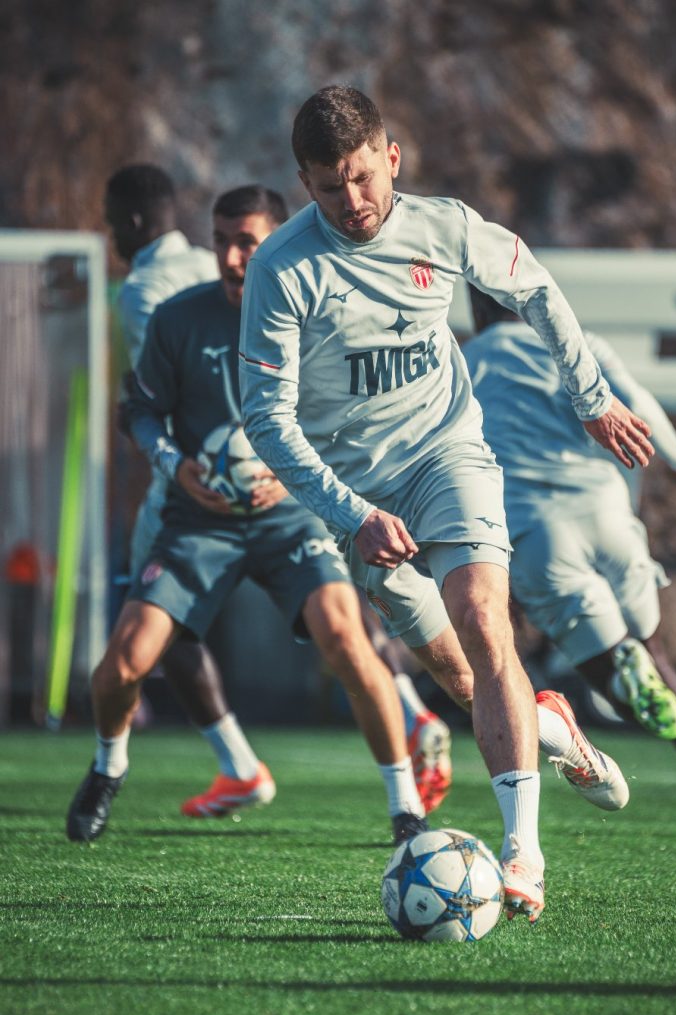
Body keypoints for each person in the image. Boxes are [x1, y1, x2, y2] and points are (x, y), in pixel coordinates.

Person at [238, 86, 653, 922]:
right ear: (302, 183)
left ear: (391, 158)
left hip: (446, 453)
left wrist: (591, 397)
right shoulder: (282, 270)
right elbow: (265, 418)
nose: (351, 203)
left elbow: (534, 288)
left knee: (482, 616)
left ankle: (521, 853)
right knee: (461, 680)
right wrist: (352, 511)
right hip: (353, 490)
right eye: (328, 187)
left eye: (362, 178)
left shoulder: (445, 225)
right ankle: (557, 732)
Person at [67, 184, 430, 845]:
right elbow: (139, 412)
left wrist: (297, 479)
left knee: (348, 640)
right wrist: (175, 464)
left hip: (289, 517)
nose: (232, 258)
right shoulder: (178, 319)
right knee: (122, 665)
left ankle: (406, 809)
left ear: (276, 244)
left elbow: (351, 419)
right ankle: (107, 765)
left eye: (248, 243)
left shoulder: (319, 318)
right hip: (195, 520)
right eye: (221, 241)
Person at [464, 286, 676, 839]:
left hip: (537, 536)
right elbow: (637, 404)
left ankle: (622, 672)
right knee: (663, 666)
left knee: (625, 695)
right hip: (608, 514)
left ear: (476, 311)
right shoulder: (576, 344)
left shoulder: (466, 363)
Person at [105, 164, 274, 815]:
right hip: (270, 468)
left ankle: (232, 764)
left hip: (194, 480)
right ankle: (408, 718)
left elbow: (158, 398)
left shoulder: (143, 290)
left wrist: (158, 444)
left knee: (158, 619)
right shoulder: (222, 268)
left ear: (136, 221)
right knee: (337, 611)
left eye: (112, 216)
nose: (111, 230)